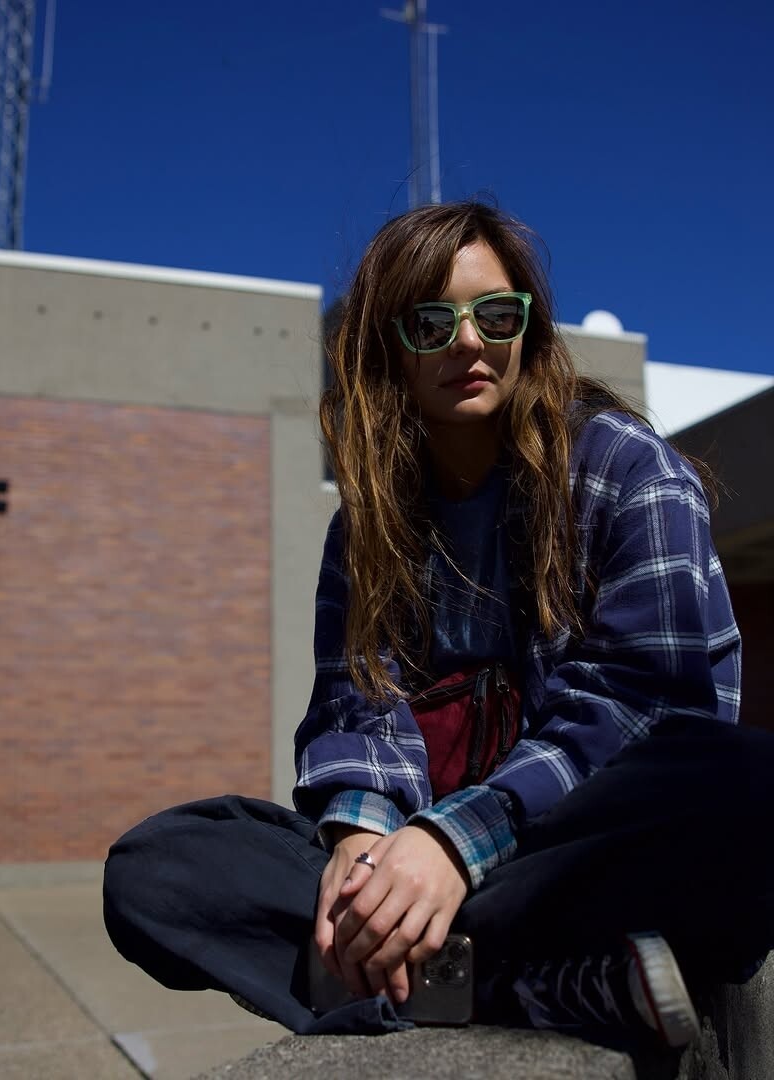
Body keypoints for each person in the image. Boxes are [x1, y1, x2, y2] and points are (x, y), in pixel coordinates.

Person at [103, 201, 773, 1051]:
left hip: (564, 845)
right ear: (389, 347)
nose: (468, 342)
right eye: (431, 323)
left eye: (497, 315)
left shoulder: (626, 469)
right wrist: (362, 838)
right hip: (423, 861)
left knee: (747, 784)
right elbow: (355, 706)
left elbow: (641, 707)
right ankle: (520, 982)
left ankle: (433, 974)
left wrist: (453, 846)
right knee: (160, 869)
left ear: (528, 328)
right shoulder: (369, 525)